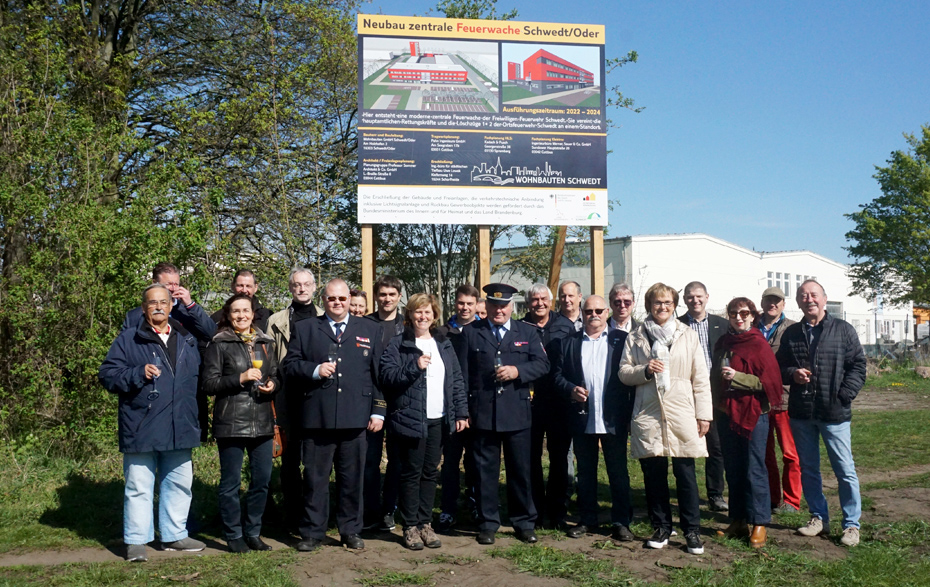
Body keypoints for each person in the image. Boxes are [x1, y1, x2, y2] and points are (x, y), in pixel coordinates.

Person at [100, 283, 206, 562]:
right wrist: (137, 373)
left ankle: (174, 535)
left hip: (180, 424)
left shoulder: (186, 337)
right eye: (152, 303)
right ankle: (136, 540)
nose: (158, 306)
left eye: (163, 302)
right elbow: (108, 375)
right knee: (139, 486)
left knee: (179, 483)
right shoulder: (129, 339)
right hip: (141, 424)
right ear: (143, 308)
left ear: (172, 306)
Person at [282, 278, 387, 552]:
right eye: (331, 299)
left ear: (349, 300)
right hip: (318, 417)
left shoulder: (369, 328)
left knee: (352, 479)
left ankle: (350, 530)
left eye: (342, 299)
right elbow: (290, 366)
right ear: (324, 300)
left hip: (356, 417)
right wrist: (314, 371)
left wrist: (378, 411)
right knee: (315, 479)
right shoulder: (305, 328)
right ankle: (313, 532)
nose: (337, 303)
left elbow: (378, 375)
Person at [619, 282, 711, 555]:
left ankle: (692, 531)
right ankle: (661, 527)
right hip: (649, 411)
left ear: (675, 306)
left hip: (682, 409)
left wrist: (704, 414)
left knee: (685, 474)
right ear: (649, 306)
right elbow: (623, 373)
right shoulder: (635, 335)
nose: (663, 307)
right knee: (654, 475)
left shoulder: (688, 335)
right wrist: (644, 370)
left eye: (668, 303)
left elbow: (701, 377)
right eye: (657, 303)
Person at [776, 279, 866, 547]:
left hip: (834, 413)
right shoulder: (792, 334)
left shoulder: (843, 330)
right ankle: (818, 517)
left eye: (814, 295)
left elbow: (858, 366)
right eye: (803, 296)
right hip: (802, 413)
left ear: (824, 299)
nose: (809, 299)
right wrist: (793, 374)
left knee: (844, 469)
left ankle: (851, 525)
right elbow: (780, 368)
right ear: (798, 302)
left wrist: (843, 396)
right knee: (809, 469)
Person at [458, 283, 549, 545]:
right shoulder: (470, 333)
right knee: (485, 471)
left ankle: (523, 522)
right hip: (483, 413)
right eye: (494, 305)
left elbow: (543, 364)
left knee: (520, 470)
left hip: (517, 412)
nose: (499, 310)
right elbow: (463, 376)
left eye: (504, 306)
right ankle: (488, 523)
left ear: (512, 307)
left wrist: (518, 372)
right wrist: (464, 411)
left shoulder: (526, 332)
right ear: (485, 306)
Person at [379, 294, 469, 550]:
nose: (423, 316)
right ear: (410, 315)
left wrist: (460, 413)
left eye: (427, 312)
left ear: (435, 315)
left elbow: (456, 381)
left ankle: (424, 524)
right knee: (411, 473)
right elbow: (387, 377)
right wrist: (414, 367)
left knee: (430, 473)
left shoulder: (443, 344)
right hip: (410, 419)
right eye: (418, 312)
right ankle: (409, 527)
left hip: (438, 418)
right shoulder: (400, 343)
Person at [553, 295, 635, 541]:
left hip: (612, 417)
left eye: (599, 310)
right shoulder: (568, 343)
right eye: (589, 311)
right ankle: (587, 519)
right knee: (586, 473)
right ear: (582, 313)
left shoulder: (621, 341)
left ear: (607, 311)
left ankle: (621, 522)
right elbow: (556, 375)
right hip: (582, 418)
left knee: (618, 472)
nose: (594, 315)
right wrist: (570, 389)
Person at [202, 293, 280, 553]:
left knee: (261, 482)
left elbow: (276, 374)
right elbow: (209, 384)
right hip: (231, 422)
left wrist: (273, 385)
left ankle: (253, 532)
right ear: (228, 315)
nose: (242, 316)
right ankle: (233, 534)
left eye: (246, 310)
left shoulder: (265, 341)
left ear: (253, 313)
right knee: (231, 483)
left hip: (262, 421)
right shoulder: (219, 343)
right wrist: (241, 377)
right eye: (236, 311)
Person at [710, 298, 783, 549]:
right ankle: (738, 520)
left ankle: (760, 523)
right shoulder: (723, 343)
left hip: (753, 415)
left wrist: (738, 378)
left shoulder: (758, 345)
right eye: (733, 313)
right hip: (725, 413)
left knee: (754, 468)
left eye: (744, 313)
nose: (738, 318)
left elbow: (771, 383)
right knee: (733, 468)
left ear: (753, 316)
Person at [266, 268, 319, 529]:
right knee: (289, 461)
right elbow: (269, 361)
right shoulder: (276, 320)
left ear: (314, 287)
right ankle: (292, 514)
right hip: (286, 397)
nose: (302, 289)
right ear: (290, 288)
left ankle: (314, 514)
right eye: (297, 284)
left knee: (314, 460)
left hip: (316, 396)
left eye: (306, 284)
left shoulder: (324, 316)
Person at [521, 283, 575, 530]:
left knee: (559, 458)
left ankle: (557, 512)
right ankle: (534, 511)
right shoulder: (520, 328)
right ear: (528, 302)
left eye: (543, 299)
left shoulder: (565, 326)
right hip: (529, 403)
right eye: (534, 299)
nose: (539, 303)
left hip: (559, 402)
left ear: (551, 301)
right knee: (530, 458)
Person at [679, 281, 729, 512]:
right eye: (690, 297)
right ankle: (685, 492)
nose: (695, 300)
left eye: (699, 296)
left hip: (715, 392)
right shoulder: (677, 325)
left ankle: (715, 494)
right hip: (685, 394)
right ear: (685, 299)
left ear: (707, 297)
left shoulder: (723, 325)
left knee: (716, 446)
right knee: (683, 445)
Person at [436, 283, 481, 533]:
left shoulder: (483, 331)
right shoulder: (441, 333)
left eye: (470, 304)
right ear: (455, 303)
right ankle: (447, 509)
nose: (465, 308)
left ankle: (475, 503)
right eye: (461, 303)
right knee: (451, 462)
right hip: (450, 407)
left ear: (476, 306)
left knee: (476, 462)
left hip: (476, 408)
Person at [363, 275, 405, 532]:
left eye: (392, 294)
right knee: (369, 460)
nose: (387, 299)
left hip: (401, 401)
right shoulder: (364, 324)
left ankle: (389, 509)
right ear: (376, 296)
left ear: (399, 296)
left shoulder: (407, 325)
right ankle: (369, 511)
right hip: (369, 402)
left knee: (397, 462)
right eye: (382, 294)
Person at [756, 287, 801, 514]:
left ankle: (792, 500)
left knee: (790, 453)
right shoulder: (752, 326)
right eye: (768, 300)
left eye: (777, 301)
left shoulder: (793, 328)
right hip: (759, 400)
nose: (772, 304)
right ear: (762, 303)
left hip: (784, 398)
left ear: (783, 304)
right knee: (765, 453)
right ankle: (772, 498)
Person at [121, 262, 216, 342]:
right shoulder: (134, 316)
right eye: (169, 284)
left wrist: (191, 305)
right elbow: (123, 350)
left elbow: (213, 334)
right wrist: (142, 365)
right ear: (154, 283)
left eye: (176, 284)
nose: (173, 289)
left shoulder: (188, 312)